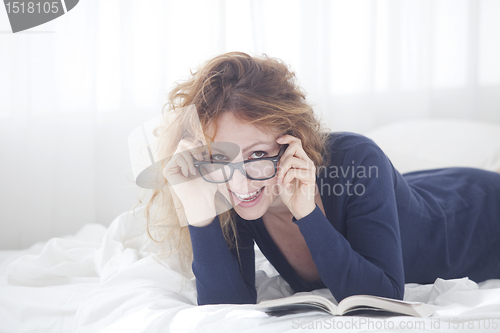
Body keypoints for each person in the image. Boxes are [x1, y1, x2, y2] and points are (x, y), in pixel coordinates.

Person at [145, 51, 500, 306]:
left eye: (257, 155)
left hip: (480, 213)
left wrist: (307, 213)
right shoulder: (231, 187)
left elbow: (382, 298)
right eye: (220, 157)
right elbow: (226, 309)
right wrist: (198, 207)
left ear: (291, 142)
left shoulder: (357, 159)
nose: (241, 185)